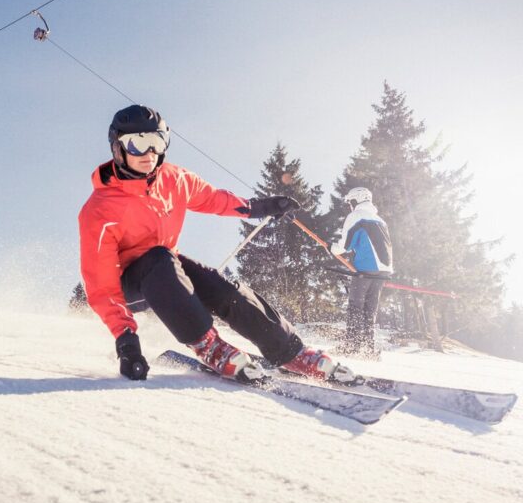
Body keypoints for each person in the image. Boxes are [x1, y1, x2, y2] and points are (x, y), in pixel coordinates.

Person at [79, 104, 355, 383]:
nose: (149, 153)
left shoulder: (174, 179)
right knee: (160, 258)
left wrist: (260, 207)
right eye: (137, 144)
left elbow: (214, 199)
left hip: (166, 271)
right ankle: (208, 344)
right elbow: (101, 286)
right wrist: (126, 339)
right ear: (117, 147)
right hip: (131, 286)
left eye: (157, 142)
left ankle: (290, 351)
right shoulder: (99, 209)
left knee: (220, 286)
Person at [331, 187, 393, 356]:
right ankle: (368, 349)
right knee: (369, 310)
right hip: (383, 270)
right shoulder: (380, 220)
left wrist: (333, 248)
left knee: (355, 307)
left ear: (356, 200)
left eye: (351, 202)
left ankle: (352, 347)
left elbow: (345, 245)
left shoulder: (356, 216)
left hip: (366, 269)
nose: (350, 206)